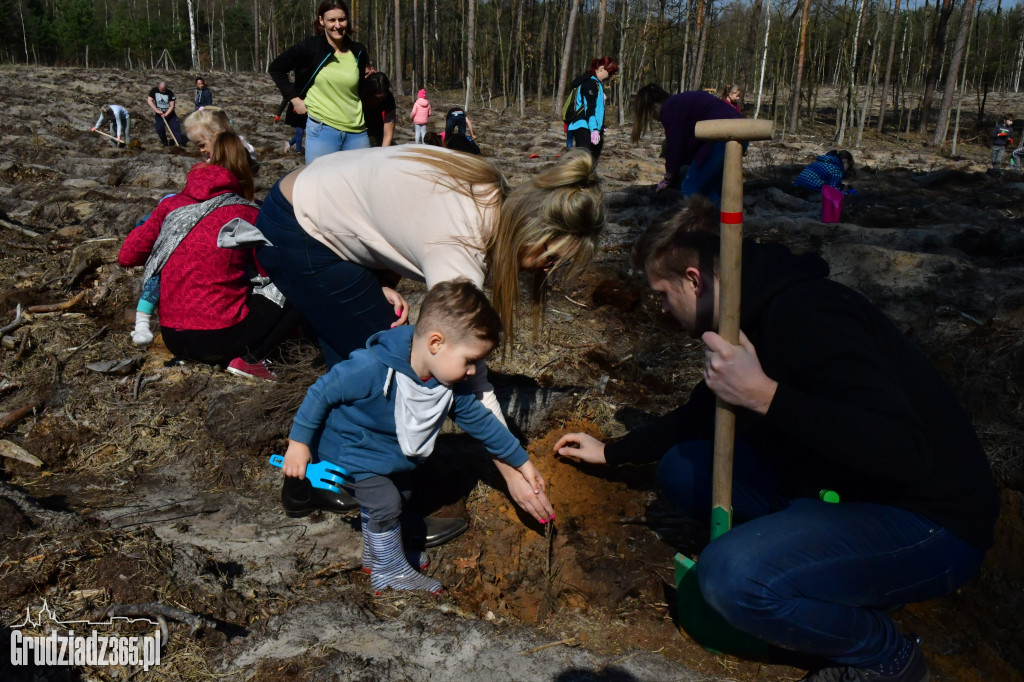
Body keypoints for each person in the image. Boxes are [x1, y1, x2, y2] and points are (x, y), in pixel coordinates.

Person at [554, 197, 999, 682]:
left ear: (694, 281)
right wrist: (612, 452)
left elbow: (903, 450)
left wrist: (765, 396)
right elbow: (701, 415)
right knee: (682, 465)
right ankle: (799, 560)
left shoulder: (808, 315)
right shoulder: (747, 315)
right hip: (839, 489)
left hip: (931, 524)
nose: (660, 308)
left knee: (730, 577)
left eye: (662, 293)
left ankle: (885, 656)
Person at [254, 146, 604, 518]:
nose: (547, 271)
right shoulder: (461, 246)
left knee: (376, 347)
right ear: (535, 232)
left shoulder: (491, 192)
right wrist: (511, 473)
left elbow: (397, 215)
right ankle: (333, 485)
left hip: (311, 202)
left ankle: (352, 473)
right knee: (391, 370)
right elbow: (472, 388)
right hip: (298, 230)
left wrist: (378, 282)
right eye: (552, 258)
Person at [281, 279, 554, 593]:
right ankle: (389, 571)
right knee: (384, 502)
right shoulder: (371, 368)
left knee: (401, 496)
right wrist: (299, 444)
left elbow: (483, 423)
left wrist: (521, 461)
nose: (472, 372)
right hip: (350, 450)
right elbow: (321, 392)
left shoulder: (446, 385)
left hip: (388, 456)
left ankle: (378, 555)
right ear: (436, 343)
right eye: (469, 361)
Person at [118, 133, 300, 381]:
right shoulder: (248, 212)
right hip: (219, 338)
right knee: (298, 279)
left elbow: (127, 256)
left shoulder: (170, 206)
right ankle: (250, 359)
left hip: (172, 336)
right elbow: (273, 267)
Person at [269, 0, 370, 164]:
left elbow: (360, 90)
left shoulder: (358, 51)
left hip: (357, 132)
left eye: (342, 19)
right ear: (321, 21)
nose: (337, 25)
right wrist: (295, 100)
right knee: (319, 180)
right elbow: (276, 68)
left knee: (361, 180)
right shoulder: (311, 47)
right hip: (322, 131)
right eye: (331, 20)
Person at [631, 85, 743, 203]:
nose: (655, 118)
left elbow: (674, 144)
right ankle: (719, 213)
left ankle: (704, 215)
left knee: (690, 188)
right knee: (708, 189)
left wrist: (669, 176)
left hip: (724, 136)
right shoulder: (681, 104)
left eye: (652, 114)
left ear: (655, 106)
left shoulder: (669, 108)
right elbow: (689, 143)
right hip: (741, 132)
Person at [564, 57, 618, 163]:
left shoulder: (597, 84)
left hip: (592, 127)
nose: (610, 76)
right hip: (583, 127)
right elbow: (590, 109)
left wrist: (600, 127)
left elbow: (597, 110)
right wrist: (594, 130)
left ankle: (588, 173)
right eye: (610, 73)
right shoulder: (590, 83)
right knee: (585, 161)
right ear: (601, 68)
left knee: (592, 160)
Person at [183, 106, 259, 175]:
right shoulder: (213, 152)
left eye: (202, 145)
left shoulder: (237, 148)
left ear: (217, 136)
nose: (201, 150)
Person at [361, 70, 396, 147]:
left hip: (378, 130)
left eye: (382, 99)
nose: (378, 102)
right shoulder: (359, 93)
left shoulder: (388, 99)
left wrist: (383, 152)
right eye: (376, 99)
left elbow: (388, 134)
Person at [147, 81, 185, 147]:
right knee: (159, 129)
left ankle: (180, 144)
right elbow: (149, 100)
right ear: (159, 87)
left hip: (170, 114)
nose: (164, 91)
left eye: (165, 90)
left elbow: (172, 105)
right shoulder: (154, 91)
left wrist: (166, 114)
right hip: (159, 115)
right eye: (162, 90)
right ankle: (165, 143)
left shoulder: (170, 93)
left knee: (176, 128)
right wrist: (156, 110)